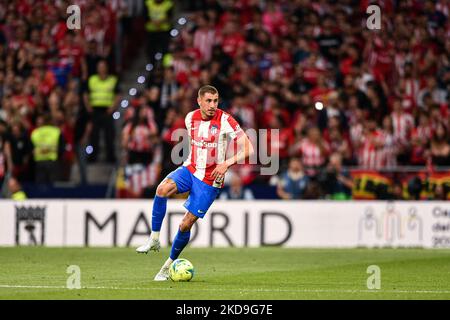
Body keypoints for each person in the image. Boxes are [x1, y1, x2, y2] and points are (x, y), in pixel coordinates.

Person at [136, 85, 254, 281]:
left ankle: (166, 267)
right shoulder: (190, 118)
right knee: (162, 189)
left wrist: (226, 163)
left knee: (185, 224)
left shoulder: (225, 120)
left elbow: (248, 148)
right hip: (190, 169)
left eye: (215, 101)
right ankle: (154, 239)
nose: (212, 105)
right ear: (199, 101)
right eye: (208, 101)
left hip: (210, 180)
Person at [83, 60, 120, 163]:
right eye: (100, 66)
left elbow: (118, 94)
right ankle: (92, 157)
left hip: (107, 111)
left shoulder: (113, 79)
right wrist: (88, 107)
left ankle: (110, 158)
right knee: (94, 136)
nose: (102, 68)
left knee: (109, 135)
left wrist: (112, 108)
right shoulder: (92, 79)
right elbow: (86, 94)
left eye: (103, 66)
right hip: (95, 111)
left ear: (107, 68)